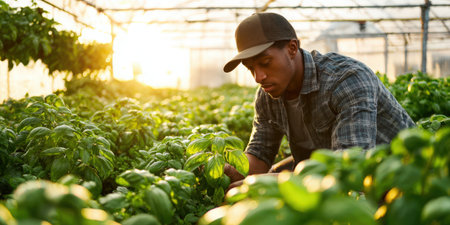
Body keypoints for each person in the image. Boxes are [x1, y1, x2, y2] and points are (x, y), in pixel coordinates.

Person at [223, 12, 415, 189]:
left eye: (265, 63)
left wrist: (272, 180)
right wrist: (230, 170)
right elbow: (259, 154)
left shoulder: (347, 80)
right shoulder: (267, 96)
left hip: (400, 177)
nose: (258, 77)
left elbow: (350, 167)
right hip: (326, 180)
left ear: (292, 48)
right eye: (250, 68)